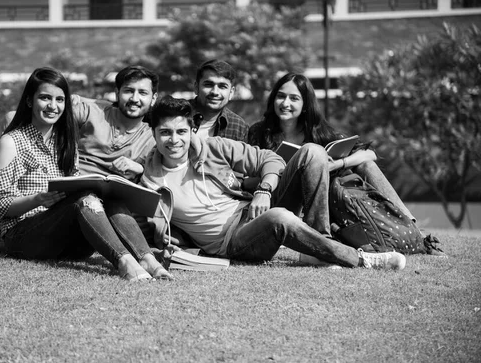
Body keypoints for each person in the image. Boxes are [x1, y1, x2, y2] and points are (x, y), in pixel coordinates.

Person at [140, 95, 406, 270]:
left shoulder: (213, 148)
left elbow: (270, 160)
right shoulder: (149, 179)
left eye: (181, 132)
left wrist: (264, 190)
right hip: (233, 241)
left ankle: (320, 246)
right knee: (279, 217)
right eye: (165, 132)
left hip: (252, 210)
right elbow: (145, 224)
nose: (174, 140)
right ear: (153, 134)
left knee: (312, 151)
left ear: (191, 131)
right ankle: (361, 259)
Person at [0, 67, 172, 281]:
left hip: (72, 245)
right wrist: (38, 199)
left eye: (60, 100)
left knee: (111, 197)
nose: (53, 106)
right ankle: (124, 262)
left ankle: (147, 259)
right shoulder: (11, 142)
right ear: (29, 101)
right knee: (84, 199)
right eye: (45, 98)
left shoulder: (66, 142)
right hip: (24, 237)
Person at [247, 72, 416, 223]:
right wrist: (278, 175)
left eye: (294, 98)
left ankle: (411, 224)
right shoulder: (260, 132)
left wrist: (336, 164)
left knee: (366, 165)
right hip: (276, 201)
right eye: (281, 96)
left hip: (315, 202)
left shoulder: (318, 133)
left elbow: (369, 154)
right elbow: (245, 181)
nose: (285, 103)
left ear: (305, 105)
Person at [191, 59, 249, 142]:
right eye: (208, 85)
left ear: (231, 92)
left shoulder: (239, 128)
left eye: (222, 86)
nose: (215, 92)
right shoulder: (177, 115)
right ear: (196, 88)